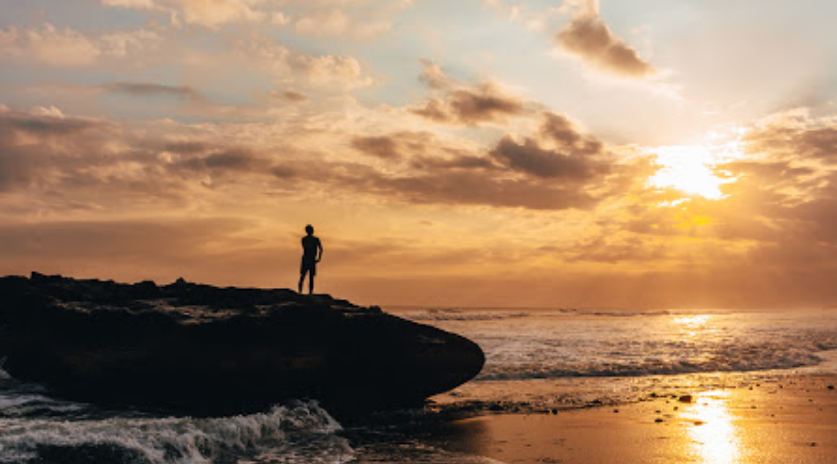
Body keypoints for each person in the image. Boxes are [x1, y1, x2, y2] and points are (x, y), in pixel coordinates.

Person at [298, 224, 323, 294]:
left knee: (310, 277)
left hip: (311, 259)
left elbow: (321, 249)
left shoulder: (313, 239)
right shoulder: (305, 239)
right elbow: (319, 249)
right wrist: (318, 258)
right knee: (303, 276)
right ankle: (300, 292)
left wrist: (318, 258)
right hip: (307, 259)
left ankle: (310, 292)